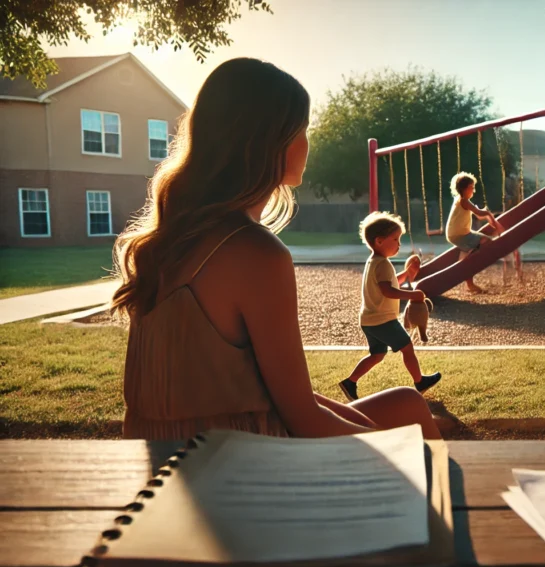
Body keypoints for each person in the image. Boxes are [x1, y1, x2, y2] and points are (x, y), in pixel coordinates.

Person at [112, 58, 440, 440]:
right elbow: (304, 420)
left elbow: (282, 394)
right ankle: (437, 498)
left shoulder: (173, 240)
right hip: (236, 460)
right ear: (269, 142)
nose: (307, 143)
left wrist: (375, 431)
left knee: (408, 405)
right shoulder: (254, 252)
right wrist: (392, 452)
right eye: (302, 130)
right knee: (414, 441)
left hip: (171, 448)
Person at [338, 212, 442, 400]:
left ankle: (350, 382)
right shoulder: (383, 264)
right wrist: (413, 294)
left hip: (369, 320)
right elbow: (389, 291)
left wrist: (407, 273)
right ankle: (420, 382)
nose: (399, 244)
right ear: (379, 241)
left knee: (377, 355)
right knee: (407, 347)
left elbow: (390, 284)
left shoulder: (374, 262)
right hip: (382, 320)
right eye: (395, 239)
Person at [446, 172, 504, 293]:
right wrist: (488, 214)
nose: (473, 190)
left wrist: (488, 216)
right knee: (486, 241)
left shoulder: (461, 200)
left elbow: (479, 214)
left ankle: (466, 255)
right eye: (471, 187)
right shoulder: (464, 201)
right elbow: (479, 213)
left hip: (457, 234)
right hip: (459, 235)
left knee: (482, 241)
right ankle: (466, 264)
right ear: (463, 189)